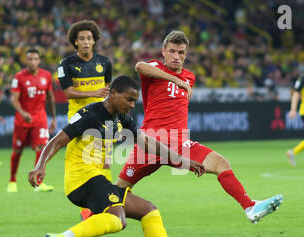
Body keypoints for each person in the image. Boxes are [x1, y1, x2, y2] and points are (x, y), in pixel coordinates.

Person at [28, 76, 204, 237]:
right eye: (128, 99)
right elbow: (58, 140)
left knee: (149, 211)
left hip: (98, 179)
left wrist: (182, 160)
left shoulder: (121, 118)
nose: (131, 105)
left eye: (134, 101)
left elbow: (147, 142)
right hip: (80, 179)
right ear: (113, 94)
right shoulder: (90, 114)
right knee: (117, 220)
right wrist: (40, 165)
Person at [114, 31, 282, 224]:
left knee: (221, 163)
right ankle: (80, 230)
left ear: (186, 54)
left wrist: (180, 80)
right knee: (117, 193)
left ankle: (250, 206)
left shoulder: (189, 77)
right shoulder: (155, 69)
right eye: (172, 51)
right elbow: (139, 66)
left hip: (179, 143)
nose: (176, 56)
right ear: (163, 51)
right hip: (150, 143)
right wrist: (174, 79)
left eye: (181, 52)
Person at [58, 20, 112, 220]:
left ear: (94, 40)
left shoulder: (105, 63)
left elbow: (106, 90)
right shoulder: (66, 64)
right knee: (85, 163)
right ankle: (89, 206)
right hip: (79, 119)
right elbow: (68, 93)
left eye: (89, 38)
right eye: (82, 38)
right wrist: (94, 91)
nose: (86, 42)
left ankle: (102, 204)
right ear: (75, 42)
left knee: (105, 162)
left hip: (101, 117)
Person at [8, 48, 57, 192]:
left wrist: (53, 117)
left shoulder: (46, 76)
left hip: (40, 118)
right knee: (17, 151)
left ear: (39, 60)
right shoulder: (19, 77)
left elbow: (50, 97)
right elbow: (14, 99)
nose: (33, 62)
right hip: (23, 120)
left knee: (41, 149)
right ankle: (12, 180)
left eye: (36, 59)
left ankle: (39, 183)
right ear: (25, 60)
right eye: (30, 59)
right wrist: (22, 113)